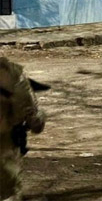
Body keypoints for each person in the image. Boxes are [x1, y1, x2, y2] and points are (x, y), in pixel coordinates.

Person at [0, 57, 46, 201]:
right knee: (8, 191)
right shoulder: (11, 73)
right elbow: (30, 111)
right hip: (4, 141)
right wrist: (36, 121)